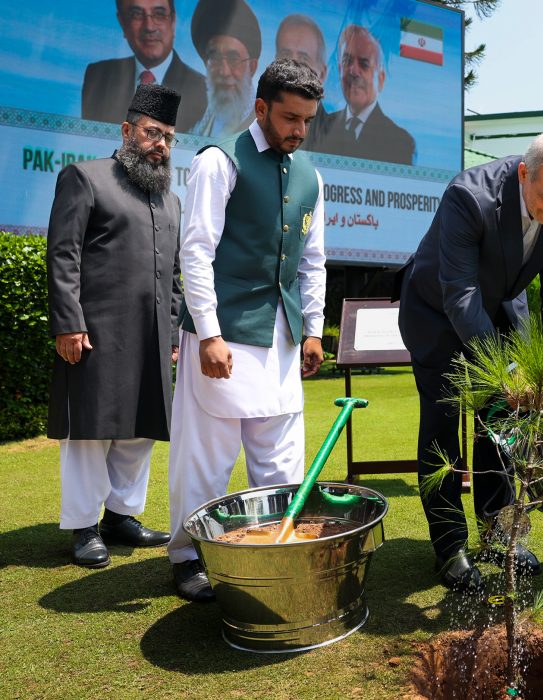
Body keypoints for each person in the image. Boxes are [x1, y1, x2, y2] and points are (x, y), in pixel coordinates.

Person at [394, 131, 543, 591]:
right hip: (437, 312)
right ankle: (449, 547)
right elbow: (461, 296)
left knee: (502, 424)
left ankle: (498, 533)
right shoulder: (468, 196)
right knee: (442, 428)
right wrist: (507, 372)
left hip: (502, 308)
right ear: (525, 173)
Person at [166, 58, 326, 602]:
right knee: (206, 458)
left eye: (307, 120)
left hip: (281, 338)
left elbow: (312, 262)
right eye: (289, 118)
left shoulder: (311, 176)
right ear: (260, 108)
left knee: (281, 457)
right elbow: (196, 251)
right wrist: (208, 333)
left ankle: (279, 546)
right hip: (223, 334)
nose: (299, 130)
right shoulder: (218, 160)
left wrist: (313, 329)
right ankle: (188, 556)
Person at [47, 84, 184, 568]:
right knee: (90, 431)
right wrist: (68, 323)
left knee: (139, 430)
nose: (160, 144)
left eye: (168, 137)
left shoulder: (170, 200)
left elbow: (174, 275)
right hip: (95, 333)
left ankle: (121, 516)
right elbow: (63, 255)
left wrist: (172, 333)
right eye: (152, 132)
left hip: (151, 337)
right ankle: (84, 525)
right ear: (127, 131)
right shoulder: (85, 178)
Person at [82, 0, 206, 132]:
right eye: (136, 15)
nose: (149, 27)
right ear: (122, 23)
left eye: (159, 14)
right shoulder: (97, 77)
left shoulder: (203, 91)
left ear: (173, 21)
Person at [308, 24, 415, 164]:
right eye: (347, 61)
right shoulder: (319, 130)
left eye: (364, 64)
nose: (353, 71)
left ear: (381, 79)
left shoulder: (401, 143)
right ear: (340, 70)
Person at [190, 0, 261, 138]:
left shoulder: (263, 124)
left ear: (252, 67)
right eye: (215, 58)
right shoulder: (199, 121)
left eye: (233, 59)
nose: (224, 72)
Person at [274, 14, 329, 122]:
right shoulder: (256, 121)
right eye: (285, 55)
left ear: (322, 74)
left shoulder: (334, 131)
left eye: (304, 59)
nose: (292, 67)